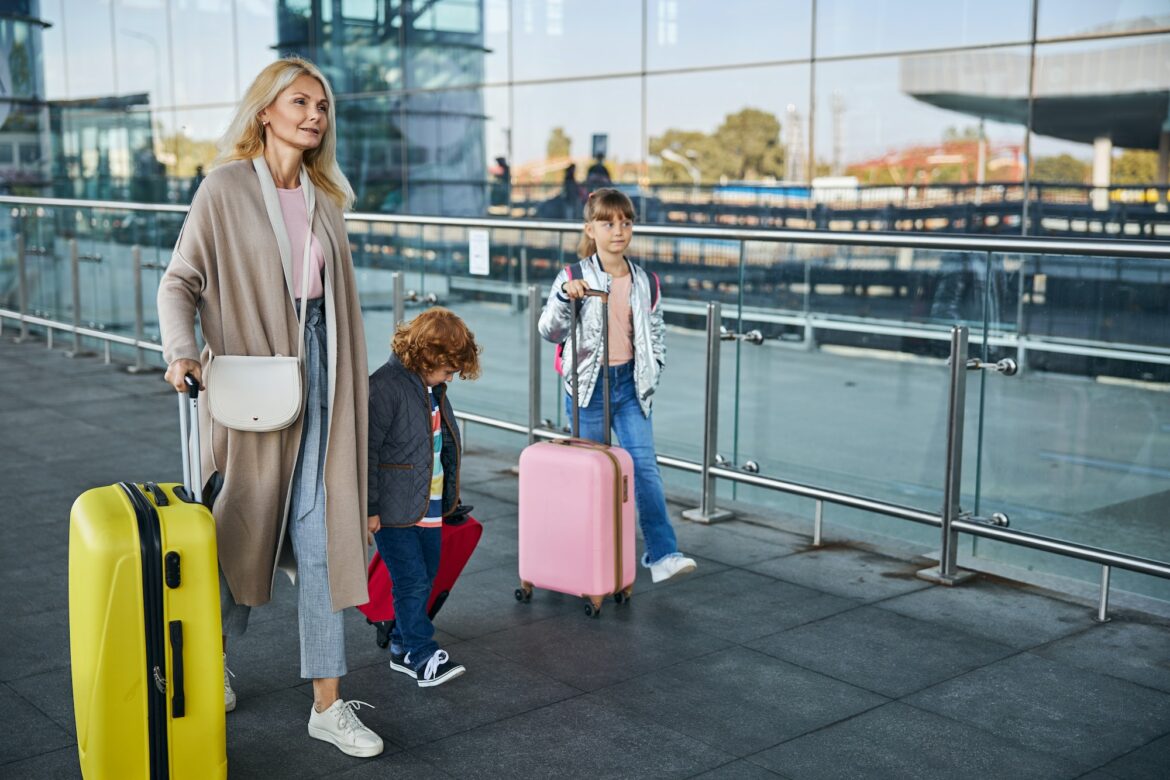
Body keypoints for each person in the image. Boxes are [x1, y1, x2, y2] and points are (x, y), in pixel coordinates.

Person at [157, 56, 382, 758]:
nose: (315, 113)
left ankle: (328, 701)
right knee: (239, 528)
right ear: (265, 110)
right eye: (300, 101)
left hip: (323, 369)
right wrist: (181, 352)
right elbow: (179, 282)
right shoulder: (223, 189)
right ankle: (208, 656)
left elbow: (331, 304)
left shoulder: (326, 195)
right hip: (252, 376)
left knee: (320, 537)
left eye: (322, 104)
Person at [537, 188, 697, 583]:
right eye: (608, 223)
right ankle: (578, 557)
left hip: (630, 388)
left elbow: (655, 333)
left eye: (625, 222)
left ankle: (662, 555)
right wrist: (563, 297)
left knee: (644, 470)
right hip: (588, 390)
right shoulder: (572, 276)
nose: (618, 230)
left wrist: (652, 370)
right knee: (591, 475)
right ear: (590, 229)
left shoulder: (645, 281)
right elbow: (548, 330)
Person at [367, 307, 481, 686]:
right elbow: (366, 450)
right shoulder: (384, 387)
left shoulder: (432, 389)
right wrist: (369, 507)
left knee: (426, 576)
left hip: (428, 506)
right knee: (412, 581)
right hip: (393, 510)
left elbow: (440, 446)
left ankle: (401, 643)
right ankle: (422, 653)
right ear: (428, 356)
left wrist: (448, 500)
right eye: (448, 368)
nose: (452, 376)